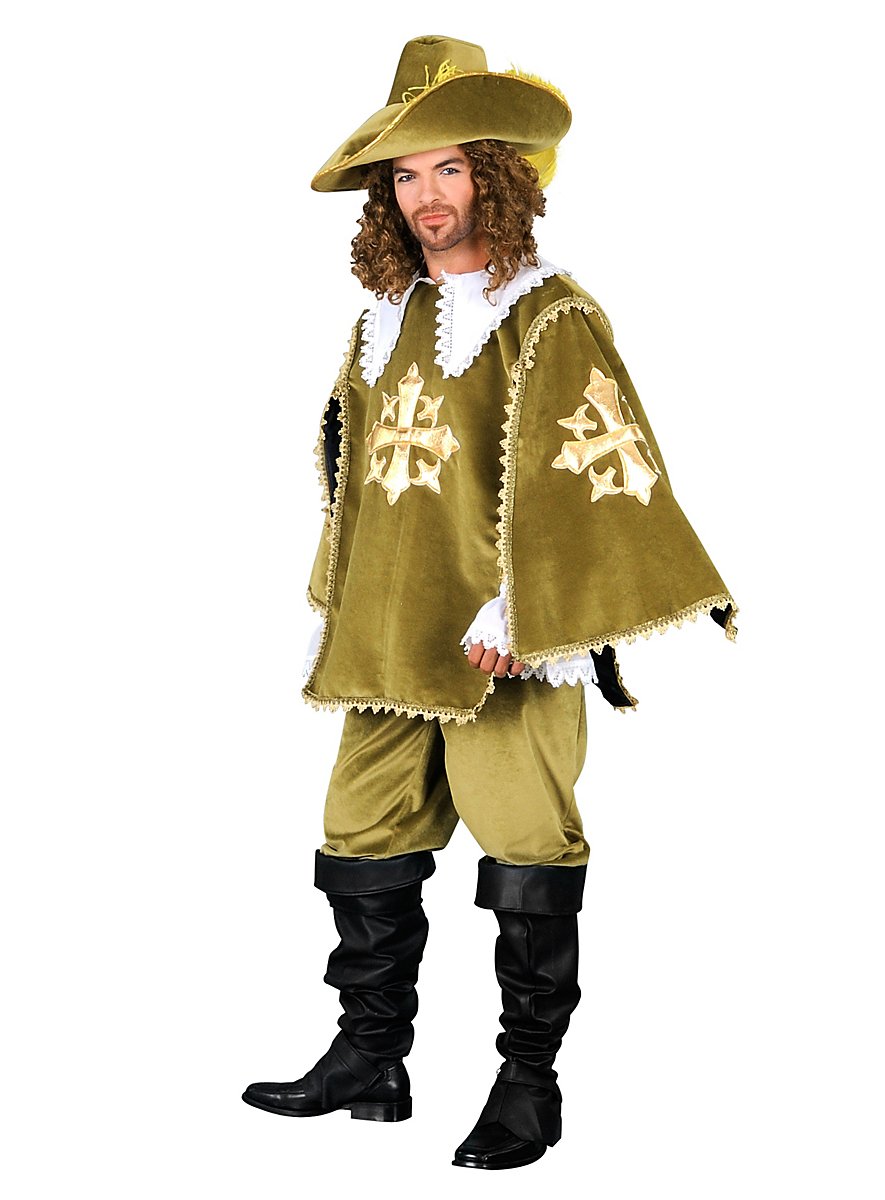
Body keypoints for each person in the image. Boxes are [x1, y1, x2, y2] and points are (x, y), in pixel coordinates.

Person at [242, 34, 736, 1171]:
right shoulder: (386, 317)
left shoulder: (548, 314)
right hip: (387, 637)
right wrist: (334, 599)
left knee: (524, 850)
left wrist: (526, 609)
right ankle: (370, 1058)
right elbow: (357, 480)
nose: (427, 196)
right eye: (405, 174)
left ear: (497, 174)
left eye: (449, 168)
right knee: (359, 838)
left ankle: (528, 1084)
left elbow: (605, 474)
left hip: (502, 647)